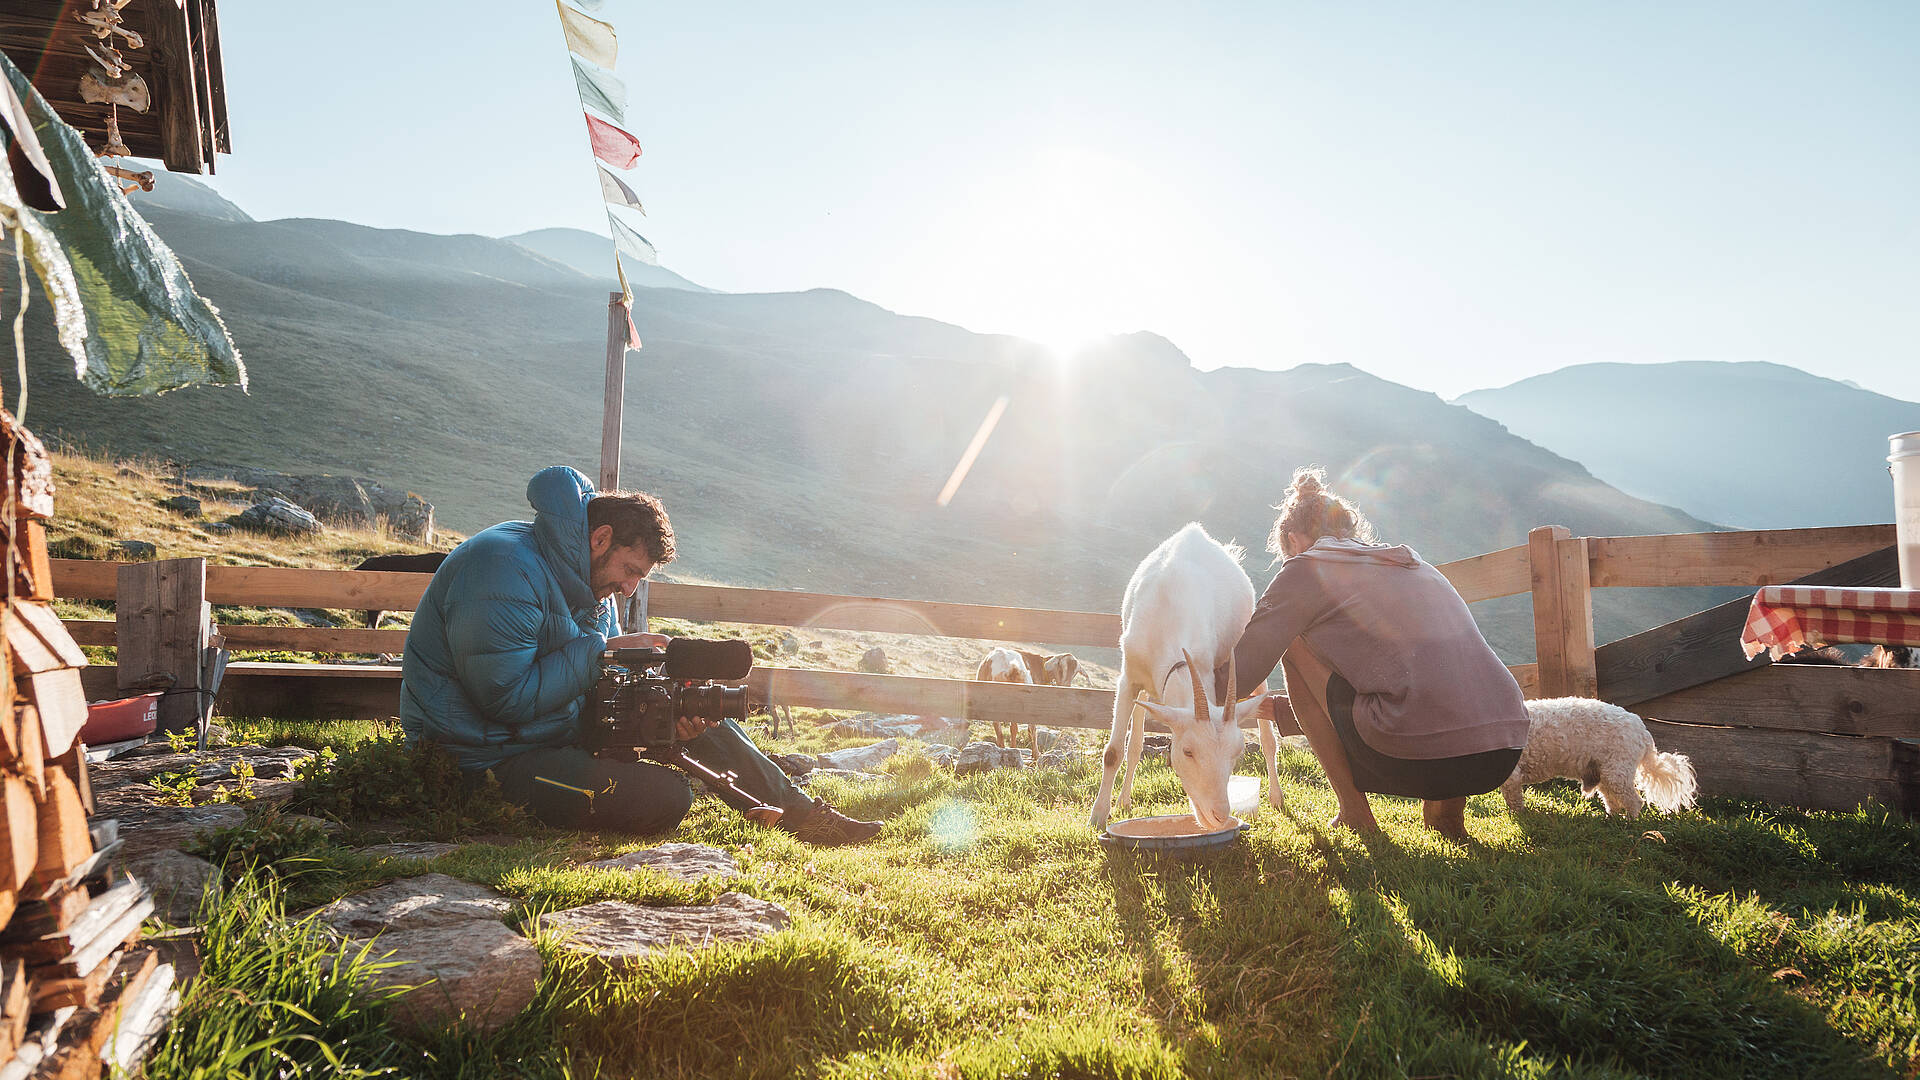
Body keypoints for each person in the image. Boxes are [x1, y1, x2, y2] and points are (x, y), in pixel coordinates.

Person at [398, 465, 884, 845]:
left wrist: (665, 718)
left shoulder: (590, 585)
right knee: (664, 798)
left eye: (640, 578)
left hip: (549, 735)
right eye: (630, 570)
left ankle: (802, 815)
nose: (630, 590)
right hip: (481, 760)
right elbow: (503, 698)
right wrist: (602, 653)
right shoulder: (500, 567)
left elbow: (598, 690)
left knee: (688, 705)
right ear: (600, 538)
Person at [1232, 467, 1528, 839]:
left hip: (1420, 758)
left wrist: (1176, 682)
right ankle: (1446, 817)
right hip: (1501, 749)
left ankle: (1354, 813)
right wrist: (1280, 710)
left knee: (1292, 642)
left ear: (1293, 540)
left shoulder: (1306, 568)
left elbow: (1240, 676)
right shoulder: (1412, 563)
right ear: (1349, 532)